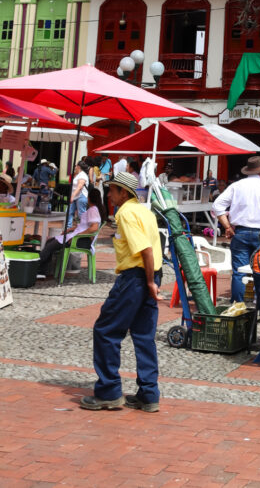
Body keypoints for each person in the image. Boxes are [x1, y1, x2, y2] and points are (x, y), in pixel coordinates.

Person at [80, 171, 163, 412]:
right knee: (144, 335)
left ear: (123, 192)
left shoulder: (126, 213)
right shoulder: (144, 210)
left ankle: (108, 392)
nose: (108, 194)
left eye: (112, 190)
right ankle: (149, 394)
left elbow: (146, 249)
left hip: (137, 277)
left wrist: (148, 283)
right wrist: (153, 280)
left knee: (106, 330)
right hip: (150, 274)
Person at [212, 154, 260, 302]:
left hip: (240, 232)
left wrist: (227, 226)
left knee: (239, 272)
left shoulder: (236, 186)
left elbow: (217, 206)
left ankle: (239, 306)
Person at [37, 187, 103, 278]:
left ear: (89, 198)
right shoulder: (93, 209)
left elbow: (94, 228)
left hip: (80, 240)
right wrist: (69, 230)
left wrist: (77, 235)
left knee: (50, 245)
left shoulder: (93, 210)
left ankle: (38, 268)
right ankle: (42, 271)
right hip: (78, 237)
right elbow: (83, 225)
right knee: (50, 242)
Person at [67, 160, 90, 226]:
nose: (75, 167)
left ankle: (84, 229)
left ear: (78, 167)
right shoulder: (78, 175)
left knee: (81, 214)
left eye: (76, 166)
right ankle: (68, 228)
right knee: (69, 212)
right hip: (75, 197)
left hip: (81, 196)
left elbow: (80, 186)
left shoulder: (82, 175)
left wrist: (72, 195)